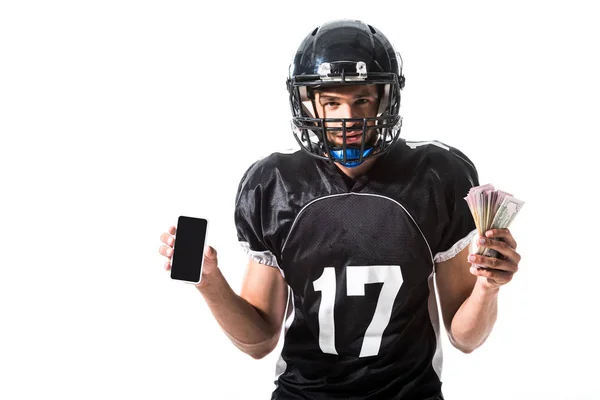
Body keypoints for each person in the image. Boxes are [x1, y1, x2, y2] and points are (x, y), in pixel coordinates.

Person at [158, 19, 521, 400]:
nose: (346, 118)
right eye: (332, 102)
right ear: (308, 102)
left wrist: (487, 287)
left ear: (385, 97)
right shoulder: (276, 184)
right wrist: (210, 282)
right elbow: (260, 340)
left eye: (361, 100)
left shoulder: (436, 176)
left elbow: (465, 338)